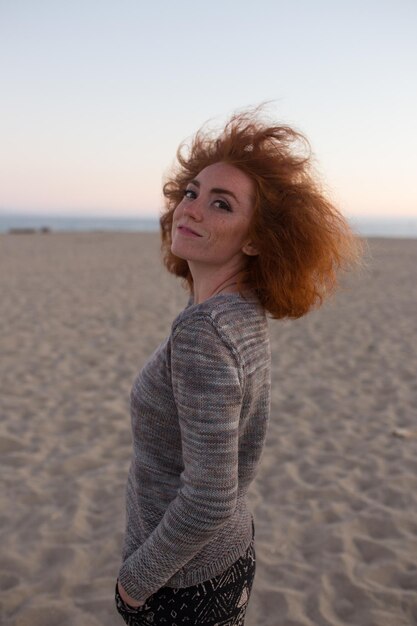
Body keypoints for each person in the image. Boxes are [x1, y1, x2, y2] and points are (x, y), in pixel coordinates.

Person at [115, 108, 361, 625]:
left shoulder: (204, 332)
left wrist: (136, 583)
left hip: (180, 580)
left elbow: (207, 497)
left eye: (220, 204)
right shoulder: (240, 312)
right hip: (229, 558)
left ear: (255, 240)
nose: (193, 209)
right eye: (192, 192)